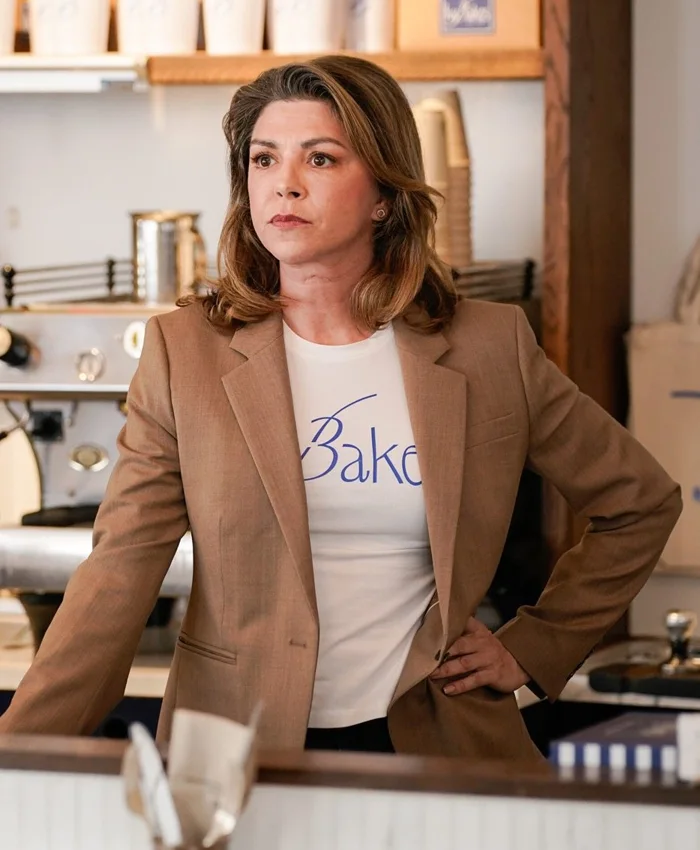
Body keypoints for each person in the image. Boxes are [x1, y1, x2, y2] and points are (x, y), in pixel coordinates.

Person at [0, 56, 681, 766]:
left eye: (320, 158)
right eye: (264, 159)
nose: (284, 183)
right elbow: (118, 573)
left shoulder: (489, 348)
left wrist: (534, 646)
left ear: (384, 194)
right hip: (236, 757)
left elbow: (639, 502)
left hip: (439, 749)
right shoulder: (186, 354)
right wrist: (16, 757)